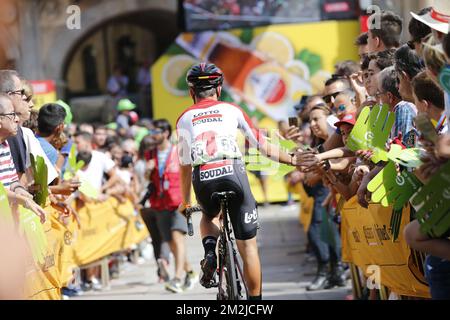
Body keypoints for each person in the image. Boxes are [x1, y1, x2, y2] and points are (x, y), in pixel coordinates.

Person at [177, 63, 300, 300]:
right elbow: (262, 146)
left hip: (203, 175)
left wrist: (184, 201)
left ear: (192, 92)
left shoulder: (184, 118)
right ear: (219, 89)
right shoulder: (233, 109)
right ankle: (255, 303)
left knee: (209, 216)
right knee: (249, 247)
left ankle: (210, 251)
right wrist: (294, 160)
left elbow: (184, 164)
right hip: (233, 171)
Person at [148, 119, 198, 293]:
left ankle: (177, 278)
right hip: (159, 202)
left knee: (178, 238)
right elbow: (146, 178)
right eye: (151, 133)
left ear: (166, 133)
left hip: (179, 202)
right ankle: (190, 272)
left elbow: (190, 173)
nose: (153, 136)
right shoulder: (150, 154)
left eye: (156, 132)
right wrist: (148, 170)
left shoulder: (179, 151)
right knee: (171, 243)